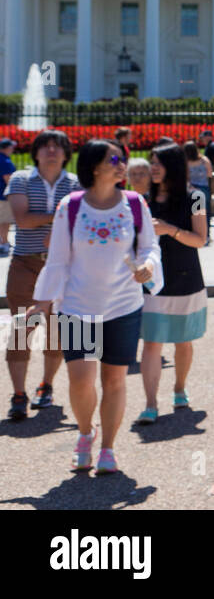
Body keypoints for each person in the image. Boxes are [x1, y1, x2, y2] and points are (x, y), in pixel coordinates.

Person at [27, 139, 161, 474]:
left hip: (123, 306)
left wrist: (148, 266)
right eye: (113, 159)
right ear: (93, 166)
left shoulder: (135, 203)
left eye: (123, 159)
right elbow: (56, 261)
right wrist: (40, 304)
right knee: (81, 380)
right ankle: (85, 434)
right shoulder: (70, 207)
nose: (121, 165)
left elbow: (149, 246)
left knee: (115, 381)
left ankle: (108, 449)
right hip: (76, 307)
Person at [5, 130, 79, 420]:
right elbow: (22, 219)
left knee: (58, 332)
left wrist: (54, 219)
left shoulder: (75, 183)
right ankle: (18, 393)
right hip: (27, 264)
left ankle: (46, 386)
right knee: (22, 329)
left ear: (66, 154)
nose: (51, 150)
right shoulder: (21, 179)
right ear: (35, 152)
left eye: (57, 146)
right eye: (45, 146)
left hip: (63, 267)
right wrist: (63, 215)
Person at [137, 143, 208, 424]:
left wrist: (169, 230)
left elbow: (200, 239)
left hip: (186, 278)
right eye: (151, 162)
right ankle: (151, 403)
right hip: (152, 282)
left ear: (174, 166)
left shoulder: (196, 197)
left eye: (158, 162)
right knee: (152, 343)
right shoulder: (142, 200)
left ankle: (179, 388)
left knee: (183, 340)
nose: (152, 167)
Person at [183, 141, 213, 230]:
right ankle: (206, 233)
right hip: (204, 188)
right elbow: (210, 174)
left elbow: (186, 177)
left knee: (195, 213)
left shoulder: (186, 162)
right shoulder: (204, 160)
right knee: (206, 212)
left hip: (192, 189)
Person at [0, 137, 17, 256]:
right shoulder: (4, 161)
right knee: (5, 221)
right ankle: (4, 243)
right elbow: (8, 179)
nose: (13, 149)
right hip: (3, 196)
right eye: (11, 146)